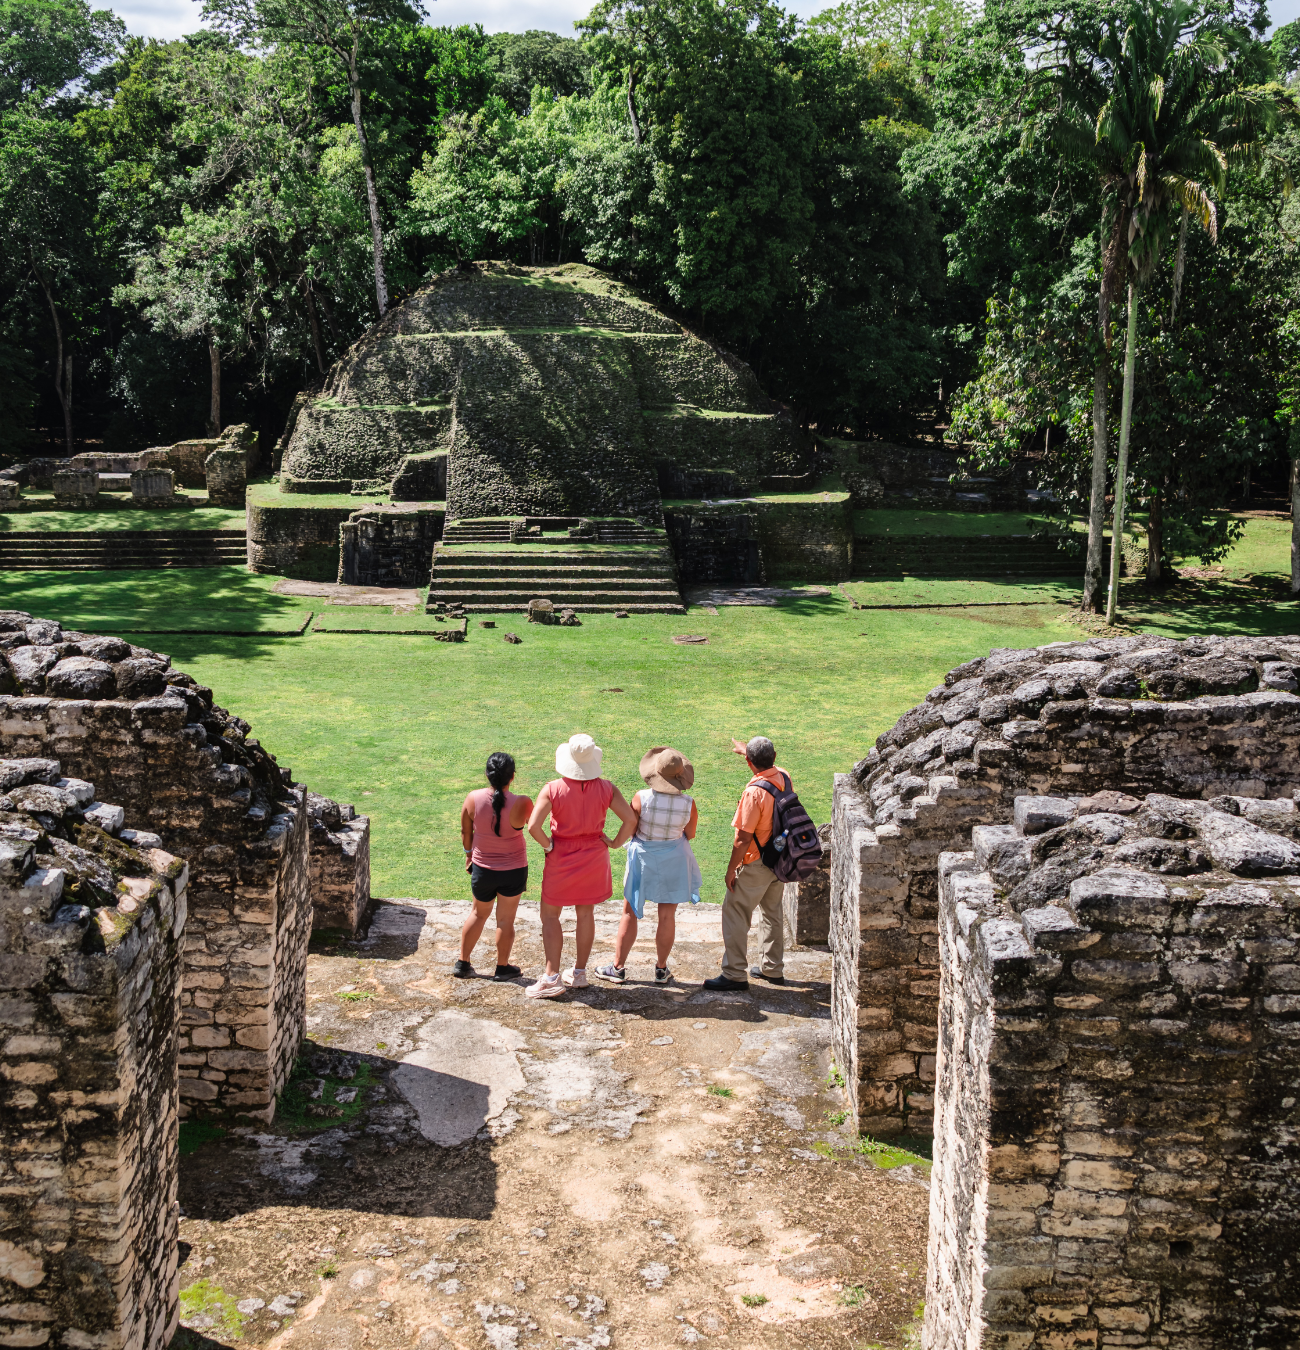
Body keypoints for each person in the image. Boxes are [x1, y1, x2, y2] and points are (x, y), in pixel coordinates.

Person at [525, 733, 638, 998]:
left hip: (561, 855)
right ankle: (579, 973)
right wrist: (614, 843)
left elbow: (533, 826)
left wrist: (548, 845)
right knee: (585, 914)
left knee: (550, 916)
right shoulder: (607, 788)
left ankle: (551, 977)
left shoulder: (552, 789)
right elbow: (630, 820)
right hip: (594, 856)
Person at [595, 747, 701, 986]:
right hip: (674, 858)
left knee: (629, 912)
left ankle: (617, 968)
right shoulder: (689, 804)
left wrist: (616, 842)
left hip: (643, 859)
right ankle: (661, 969)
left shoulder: (641, 798)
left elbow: (631, 828)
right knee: (667, 916)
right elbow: (690, 834)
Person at [704, 735, 791, 991]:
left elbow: (742, 838)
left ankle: (734, 973)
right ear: (774, 757)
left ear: (750, 763)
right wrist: (749, 754)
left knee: (736, 913)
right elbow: (770, 768)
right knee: (772, 913)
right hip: (780, 858)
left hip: (756, 863)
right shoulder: (784, 777)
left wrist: (731, 869)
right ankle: (772, 968)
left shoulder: (754, 793)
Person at [455, 752, 533, 980]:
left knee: (478, 914)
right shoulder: (523, 802)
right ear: (513, 776)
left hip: (482, 869)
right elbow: (535, 825)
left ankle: (462, 963)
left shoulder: (473, 798)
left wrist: (469, 855)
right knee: (505, 920)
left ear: (487, 774)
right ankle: (502, 967)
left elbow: (465, 831)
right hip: (514, 870)